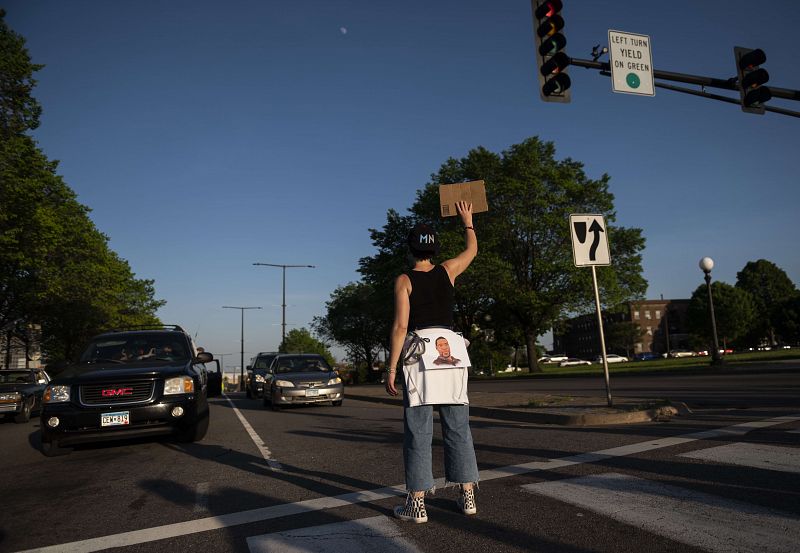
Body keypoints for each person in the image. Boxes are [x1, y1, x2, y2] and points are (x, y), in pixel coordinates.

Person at [385, 200, 479, 524]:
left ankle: (417, 503)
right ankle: (467, 495)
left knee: (418, 432)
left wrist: (391, 368)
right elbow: (472, 251)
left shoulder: (404, 280)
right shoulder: (448, 271)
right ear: (435, 250)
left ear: (410, 251)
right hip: (452, 352)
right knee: (458, 427)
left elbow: (400, 327)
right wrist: (467, 221)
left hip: (421, 354)